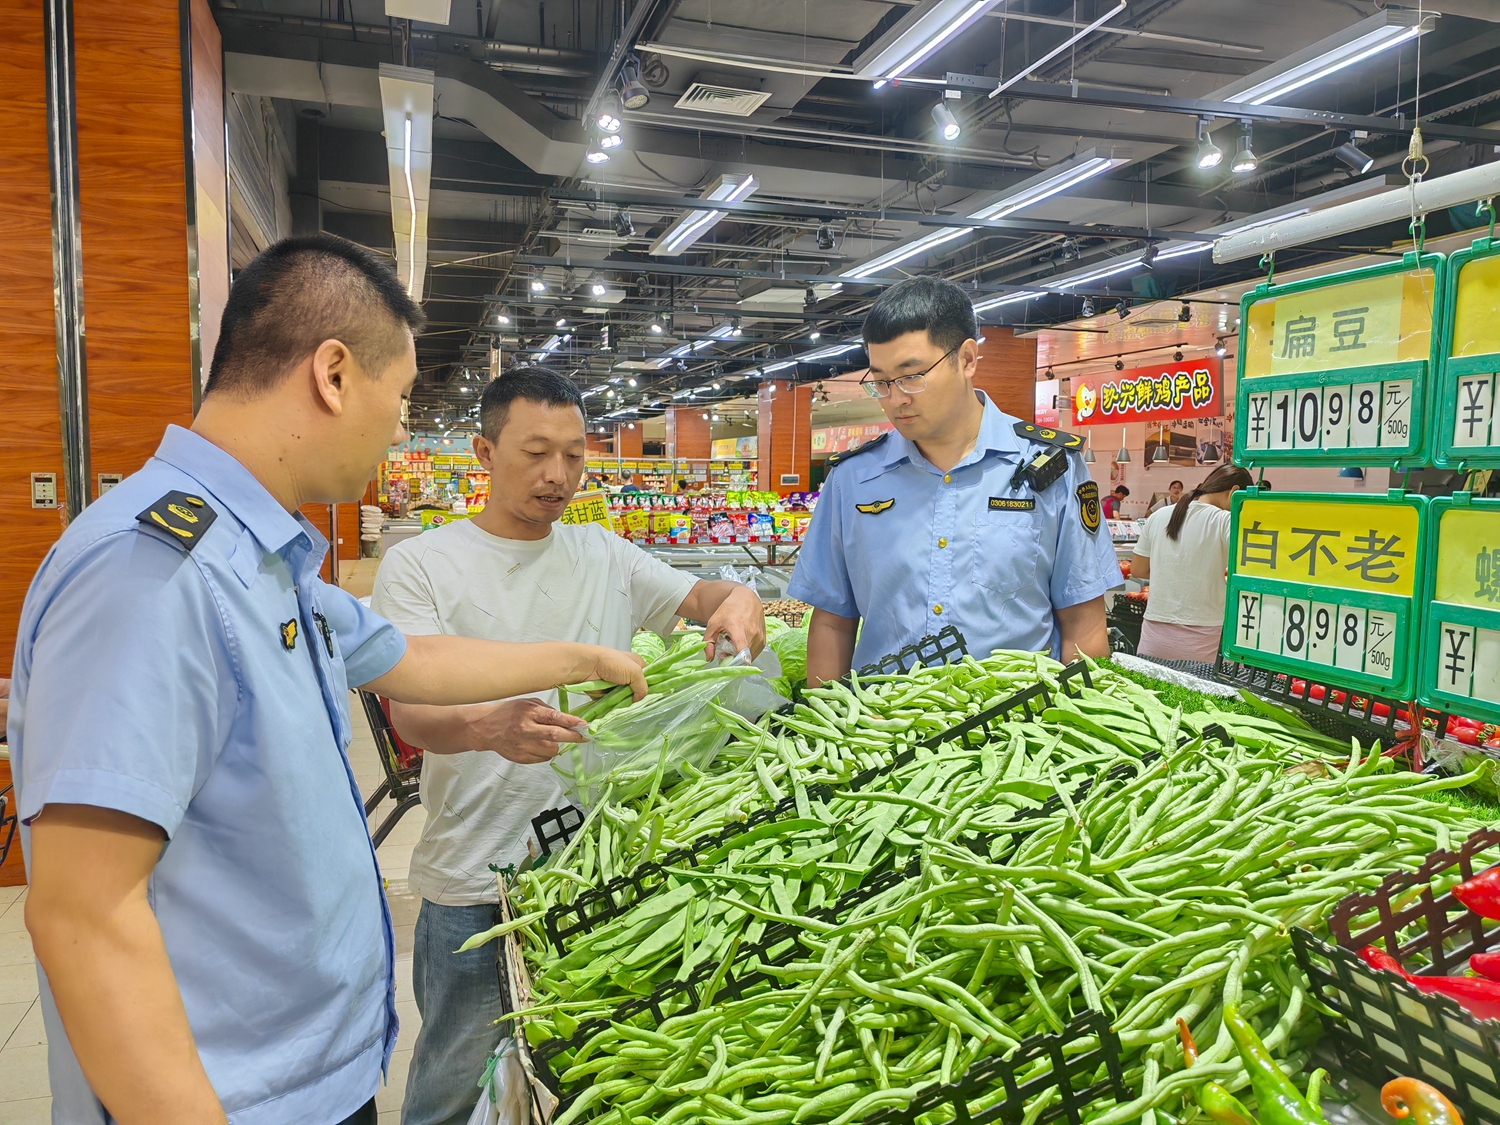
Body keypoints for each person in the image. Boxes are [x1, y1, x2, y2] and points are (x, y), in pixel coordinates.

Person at [11, 235, 646, 1125]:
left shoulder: (261, 558)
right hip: (229, 1093)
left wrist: (586, 658)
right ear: (334, 374)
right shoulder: (151, 573)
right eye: (398, 396)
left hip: (304, 1075)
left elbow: (409, 656)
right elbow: (84, 915)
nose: (397, 426)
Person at [370, 370, 766, 1125]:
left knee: (608, 1078)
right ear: (484, 451)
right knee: (453, 1086)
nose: (558, 475)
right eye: (535, 452)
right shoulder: (421, 563)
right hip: (483, 878)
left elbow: (702, 598)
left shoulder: (604, 554)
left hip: (609, 872)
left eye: (575, 456)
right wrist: (487, 726)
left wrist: (737, 596)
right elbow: (414, 715)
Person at [787, 276, 1121, 685]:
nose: (896, 398)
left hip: (1018, 727)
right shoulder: (852, 479)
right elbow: (833, 623)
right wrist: (828, 729)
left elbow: (1083, 625)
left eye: (911, 376)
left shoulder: (1052, 467)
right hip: (882, 731)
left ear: (966, 359)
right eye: (880, 382)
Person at [1130, 464, 1255, 663]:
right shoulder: (1226, 521)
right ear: (1234, 492)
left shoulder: (1158, 516)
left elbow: (1138, 569)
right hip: (1204, 641)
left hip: (1153, 636)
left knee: (1151, 693)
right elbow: (1249, 572)